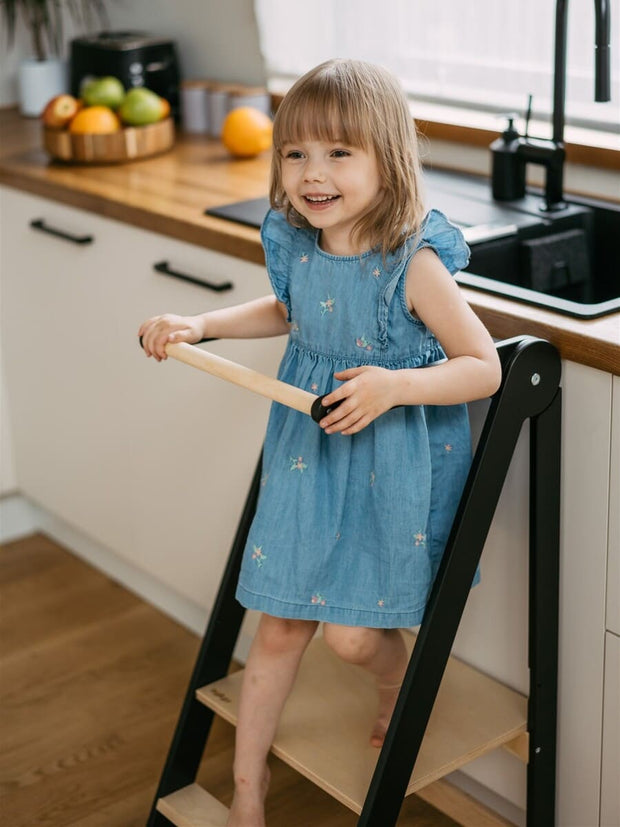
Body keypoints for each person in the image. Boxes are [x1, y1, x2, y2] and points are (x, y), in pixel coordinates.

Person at [139, 58, 501, 827]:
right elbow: (288, 308)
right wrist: (201, 324)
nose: (313, 173)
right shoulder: (298, 243)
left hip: (389, 462)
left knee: (349, 638)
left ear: (387, 159)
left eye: (339, 153)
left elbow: (485, 367)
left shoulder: (416, 261)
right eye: (296, 153)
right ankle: (248, 789)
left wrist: (394, 385)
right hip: (310, 458)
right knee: (277, 628)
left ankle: (393, 683)